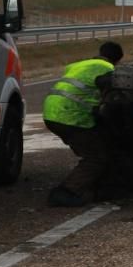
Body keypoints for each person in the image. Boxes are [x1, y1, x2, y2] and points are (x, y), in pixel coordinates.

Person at [42, 41, 124, 207]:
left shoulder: (80, 65)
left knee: (92, 147)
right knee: (97, 157)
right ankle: (67, 191)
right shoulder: (108, 70)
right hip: (71, 116)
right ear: (117, 60)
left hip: (51, 112)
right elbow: (113, 100)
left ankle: (90, 184)